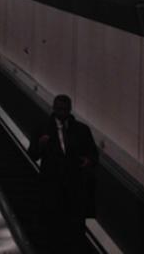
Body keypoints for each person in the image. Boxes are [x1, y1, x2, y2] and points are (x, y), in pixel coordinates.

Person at [28, 94, 98, 253]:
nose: (62, 113)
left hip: (75, 188)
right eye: (59, 109)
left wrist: (88, 161)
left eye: (65, 109)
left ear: (70, 110)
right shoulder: (42, 128)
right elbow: (32, 155)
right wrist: (40, 145)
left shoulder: (81, 129)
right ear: (53, 108)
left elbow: (93, 154)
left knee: (75, 229)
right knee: (53, 228)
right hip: (52, 188)